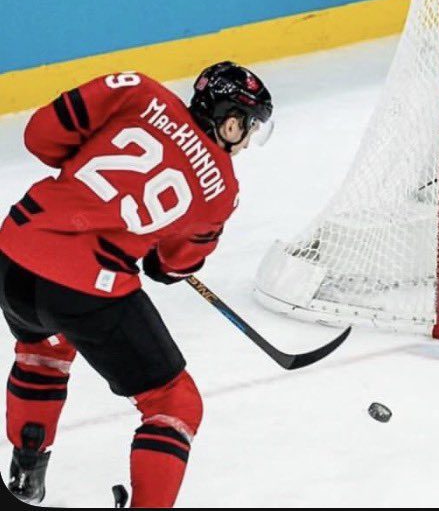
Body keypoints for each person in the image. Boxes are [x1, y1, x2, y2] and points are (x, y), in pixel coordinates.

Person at [0, 61, 273, 506]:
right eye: (250, 128)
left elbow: (40, 136)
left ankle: (25, 479)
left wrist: (91, 182)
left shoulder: (137, 91)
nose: (247, 141)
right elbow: (170, 267)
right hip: (83, 286)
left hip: (14, 252)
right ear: (231, 122)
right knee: (175, 403)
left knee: (43, 350)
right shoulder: (221, 189)